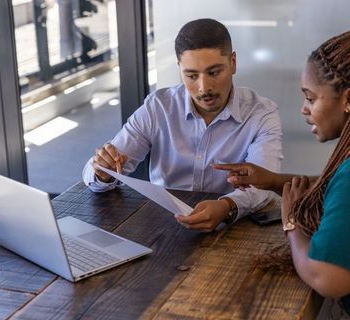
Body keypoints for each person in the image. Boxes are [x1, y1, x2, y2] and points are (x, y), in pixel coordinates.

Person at [214, 28, 350, 319]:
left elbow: (328, 279)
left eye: (311, 98)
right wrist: (275, 181)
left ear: (349, 98)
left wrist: (291, 222)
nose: (304, 109)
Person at [82, 18, 283, 232]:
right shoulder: (158, 108)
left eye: (214, 72)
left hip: (231, 228)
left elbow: (265, 185)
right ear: (180, 69)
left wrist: (227, 206)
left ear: (233, 62)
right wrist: (103, 172)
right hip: (162, 226)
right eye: (192, 75)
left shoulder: (262, 114)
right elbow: (95, 172)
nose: (204, 88)